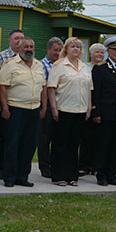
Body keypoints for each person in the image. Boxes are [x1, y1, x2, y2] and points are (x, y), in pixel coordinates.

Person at [0, 36, 46, 187]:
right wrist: (5, 107)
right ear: (19, 48)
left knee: (29, 145)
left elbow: (43, 87)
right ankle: (10, 177)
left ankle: (23, 176)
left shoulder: (38, 65)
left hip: (34, 109)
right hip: (15, 109)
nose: (29, 50)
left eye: (31, 47)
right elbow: (2, 87)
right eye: (26, 47)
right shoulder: (10, 64)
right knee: (13, 144)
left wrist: (44, 107)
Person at [46, 38, 92, 186]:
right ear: (66, 49)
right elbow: (51, 88)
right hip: (64, 109)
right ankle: (59, 175)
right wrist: (53, 108)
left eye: (78, 47)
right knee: (60, 144)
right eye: (73, 46)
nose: (76, 49)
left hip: (80, 109)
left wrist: (89, 107)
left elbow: (89, 89)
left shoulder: (85, 67)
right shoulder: (59, 65)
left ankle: (72, 175)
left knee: (74, 144)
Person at [92, 36, 116, 186]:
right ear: (108, 51)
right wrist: (96, 112)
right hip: (105, 114)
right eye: (114, 50)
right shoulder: (100, 69)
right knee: (103, 145)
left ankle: (112, 174)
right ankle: (101, 174)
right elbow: (96, 93)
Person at [0, 29, 24, 180]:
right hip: (4, 103)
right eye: (16, 38)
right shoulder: (2, 58)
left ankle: (15, 167)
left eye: (21, 38)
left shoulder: (27, 58)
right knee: (3, 137)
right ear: (10, 41)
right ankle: (0, 168)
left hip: (21, 105)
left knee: (17, 138)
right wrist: (0, 103)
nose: (19, 41)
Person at [38, 37, 63, 178]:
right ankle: (45, 166)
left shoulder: (62, 65)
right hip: (46, 105)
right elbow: (44, 86)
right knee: (44, 138)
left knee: (57, 137)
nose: (57, 53)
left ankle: (56, 164)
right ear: (48, 50)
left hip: (61, 105)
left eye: (60, 50)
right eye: (55, 50)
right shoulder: (41, 65)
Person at [79, 42, 105, 175]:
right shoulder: (85, 67)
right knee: (86, 137)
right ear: (91, 54)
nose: (100, 54)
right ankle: (84, 164)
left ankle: (95, 164)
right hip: (86, 104)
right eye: (97, 52)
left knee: (98, 138)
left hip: (100, 106)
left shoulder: (105, 67)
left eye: (101, 52)